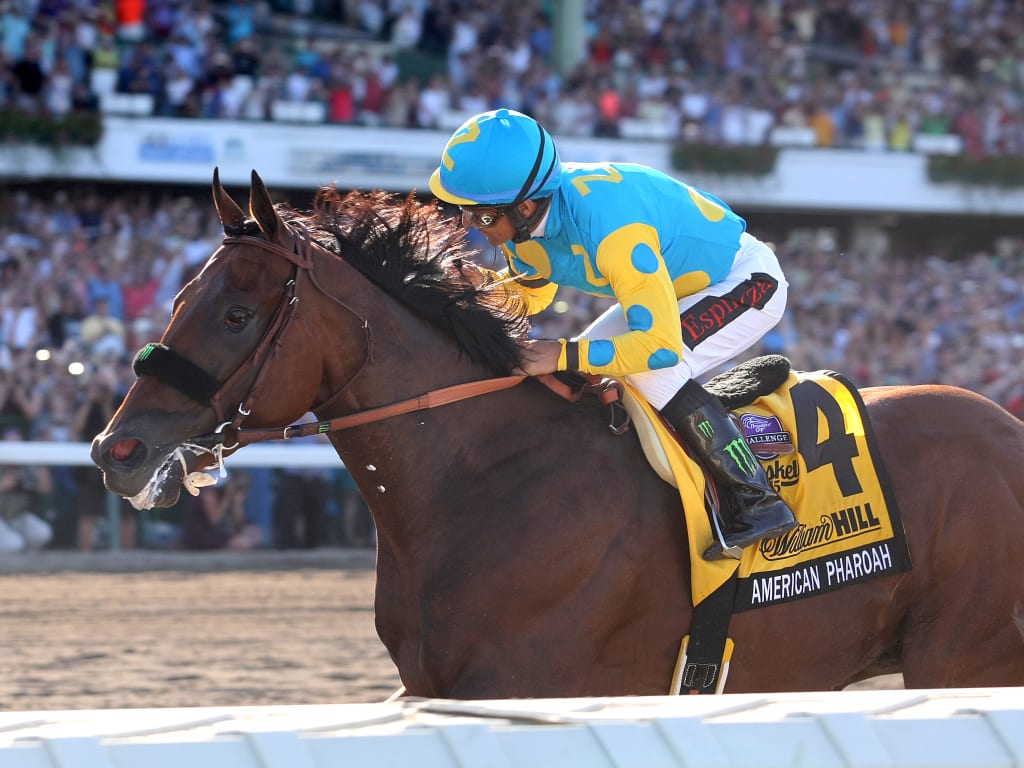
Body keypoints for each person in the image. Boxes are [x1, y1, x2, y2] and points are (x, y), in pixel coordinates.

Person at [428, 108, 797, 560]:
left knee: (649, 373)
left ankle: (757, 499)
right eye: (463, 211)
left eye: (480, 215)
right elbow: (531, 296)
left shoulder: (612, 227)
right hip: (678, 291)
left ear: (523, 207)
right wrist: (475, 293)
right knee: (581, 374)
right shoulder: (524, 227)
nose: (469, 224)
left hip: (744, 281)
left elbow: (659, 348)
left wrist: (561, 352)